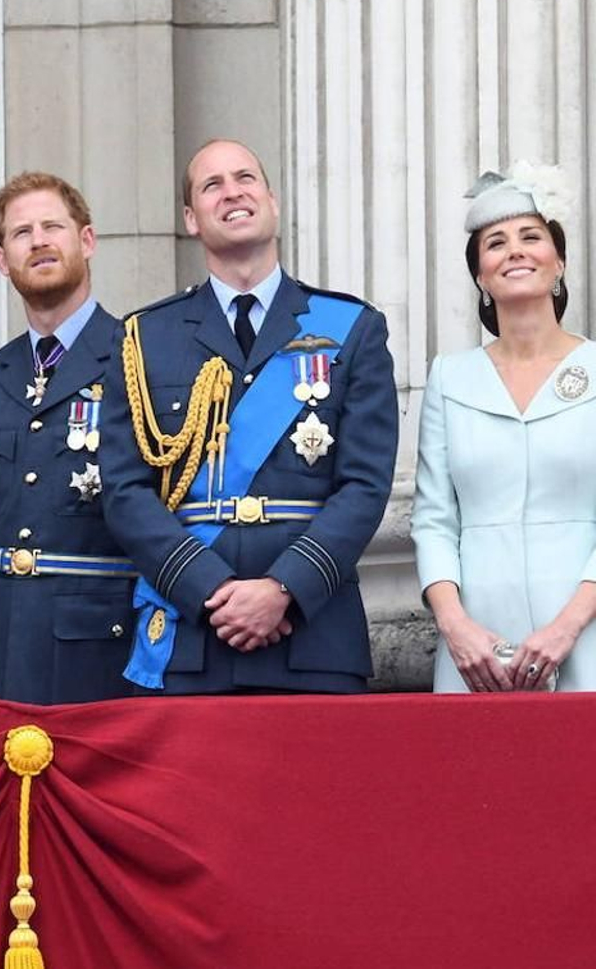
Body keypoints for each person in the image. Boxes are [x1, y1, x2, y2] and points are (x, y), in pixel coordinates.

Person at [98, 139, 398, 694]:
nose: (232, 192)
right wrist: (209, 589)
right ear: (191, 218)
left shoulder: (351, 326)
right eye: (212, 185)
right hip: (192, 635)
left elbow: (365, 484)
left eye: (245, 178)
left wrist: (285, 587)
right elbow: (124, 490)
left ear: (273, 201)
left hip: (313, 635)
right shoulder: (145, 337)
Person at [414, 163, 596, 693]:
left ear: (558, 262)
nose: (514, 250)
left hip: (584, 629)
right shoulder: (450, 377)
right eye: (496, 243)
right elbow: (433, 519)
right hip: (476, 646)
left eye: (531, 237)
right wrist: (457, 627)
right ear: (481, 276)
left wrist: (566, 628)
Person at [0, 172, 137, 703]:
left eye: (52, 226)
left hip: (100, 644)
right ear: (0, 260)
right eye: (21, 232)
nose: (38, 241)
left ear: (86, 240)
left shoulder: (139, 356)